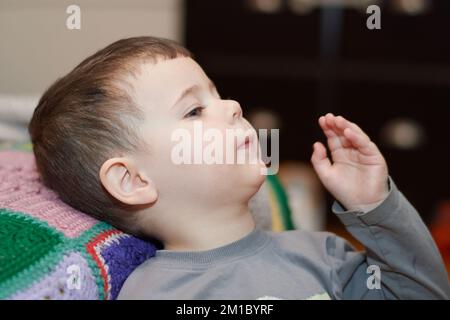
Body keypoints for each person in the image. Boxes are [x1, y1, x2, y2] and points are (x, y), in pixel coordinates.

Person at [28, 36, 450, 299]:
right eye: (194, 110)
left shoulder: (323, 255)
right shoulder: (153, 293)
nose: (233, 106)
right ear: (133, 180)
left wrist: (375, 206)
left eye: (219, 94)